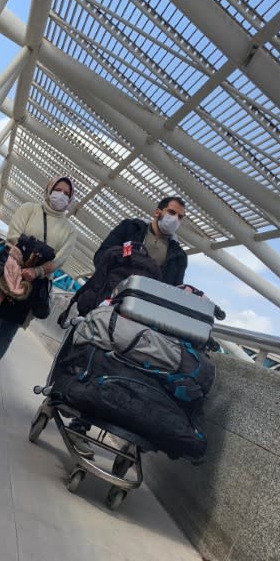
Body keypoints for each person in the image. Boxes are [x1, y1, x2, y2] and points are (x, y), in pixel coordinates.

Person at [69, 196, 188, 457]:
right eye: (171, 213)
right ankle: (82, 419)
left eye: (180, 217)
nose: (175, 220)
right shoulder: (130, 230)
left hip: (144, 322)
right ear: (157, 212)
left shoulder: (179, 257)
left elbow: (172, 294)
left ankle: (121, 427)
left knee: (128, 369)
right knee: (100, 359)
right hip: (109, 306)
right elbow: (101, 256)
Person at [0, 177, 77, 401]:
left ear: (71, 199)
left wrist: (36, 272)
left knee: (8, 331)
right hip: (11, 272)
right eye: (57, 190)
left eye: (67, 193)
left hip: (34, 284)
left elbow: (60, 260)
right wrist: (23, 264)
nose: (61, 195)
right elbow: (13, 237)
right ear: (48, 190)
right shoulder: (30, 209)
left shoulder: (69, 230)